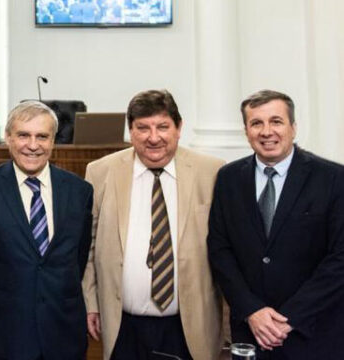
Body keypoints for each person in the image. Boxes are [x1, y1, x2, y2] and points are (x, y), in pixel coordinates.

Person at [83, 90, 224, 360]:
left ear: (179, 128)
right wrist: (91, 303)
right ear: (130, 130)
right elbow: (88, 246)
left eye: (162, 127)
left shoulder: (212, 172)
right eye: (143, 128)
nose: (153, 137)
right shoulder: (100, 171)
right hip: (122, 326)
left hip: (188, 327)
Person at [208, 90, 344, 358]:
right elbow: (219, 249)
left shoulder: (333, 179)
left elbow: (340, 259)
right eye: (256, 123)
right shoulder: (228, 178)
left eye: (276, 121)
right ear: (246, 131)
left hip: (313, 333)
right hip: (250, 333)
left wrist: (289, 319)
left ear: (293, 128)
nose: (266, 131)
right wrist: (251, 311)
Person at [0, 100, 93, 360]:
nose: (33, 145)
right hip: (8, 334)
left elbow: (76, 259)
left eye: (42, 136)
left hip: (65, 334)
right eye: (23, 135)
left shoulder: (79, 191)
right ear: (8, 137)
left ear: (53, 141)